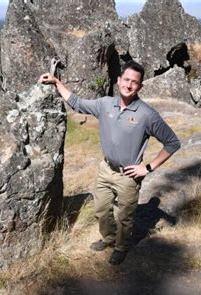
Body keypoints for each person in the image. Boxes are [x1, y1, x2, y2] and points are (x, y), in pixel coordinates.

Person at [39, 60, 180, 265]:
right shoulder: (105, 104)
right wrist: (55, 82)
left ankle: (121, 247)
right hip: (106, 169)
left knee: (124, 217)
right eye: (126, 80)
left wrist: (148, 167)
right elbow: (77, 102)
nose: (129, 85)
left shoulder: (147, 115)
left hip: (128, 176)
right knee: (101, 209)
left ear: (140, 86)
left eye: (135, 82)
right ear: (118, 80)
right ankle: (109, 238)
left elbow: (172, 142)